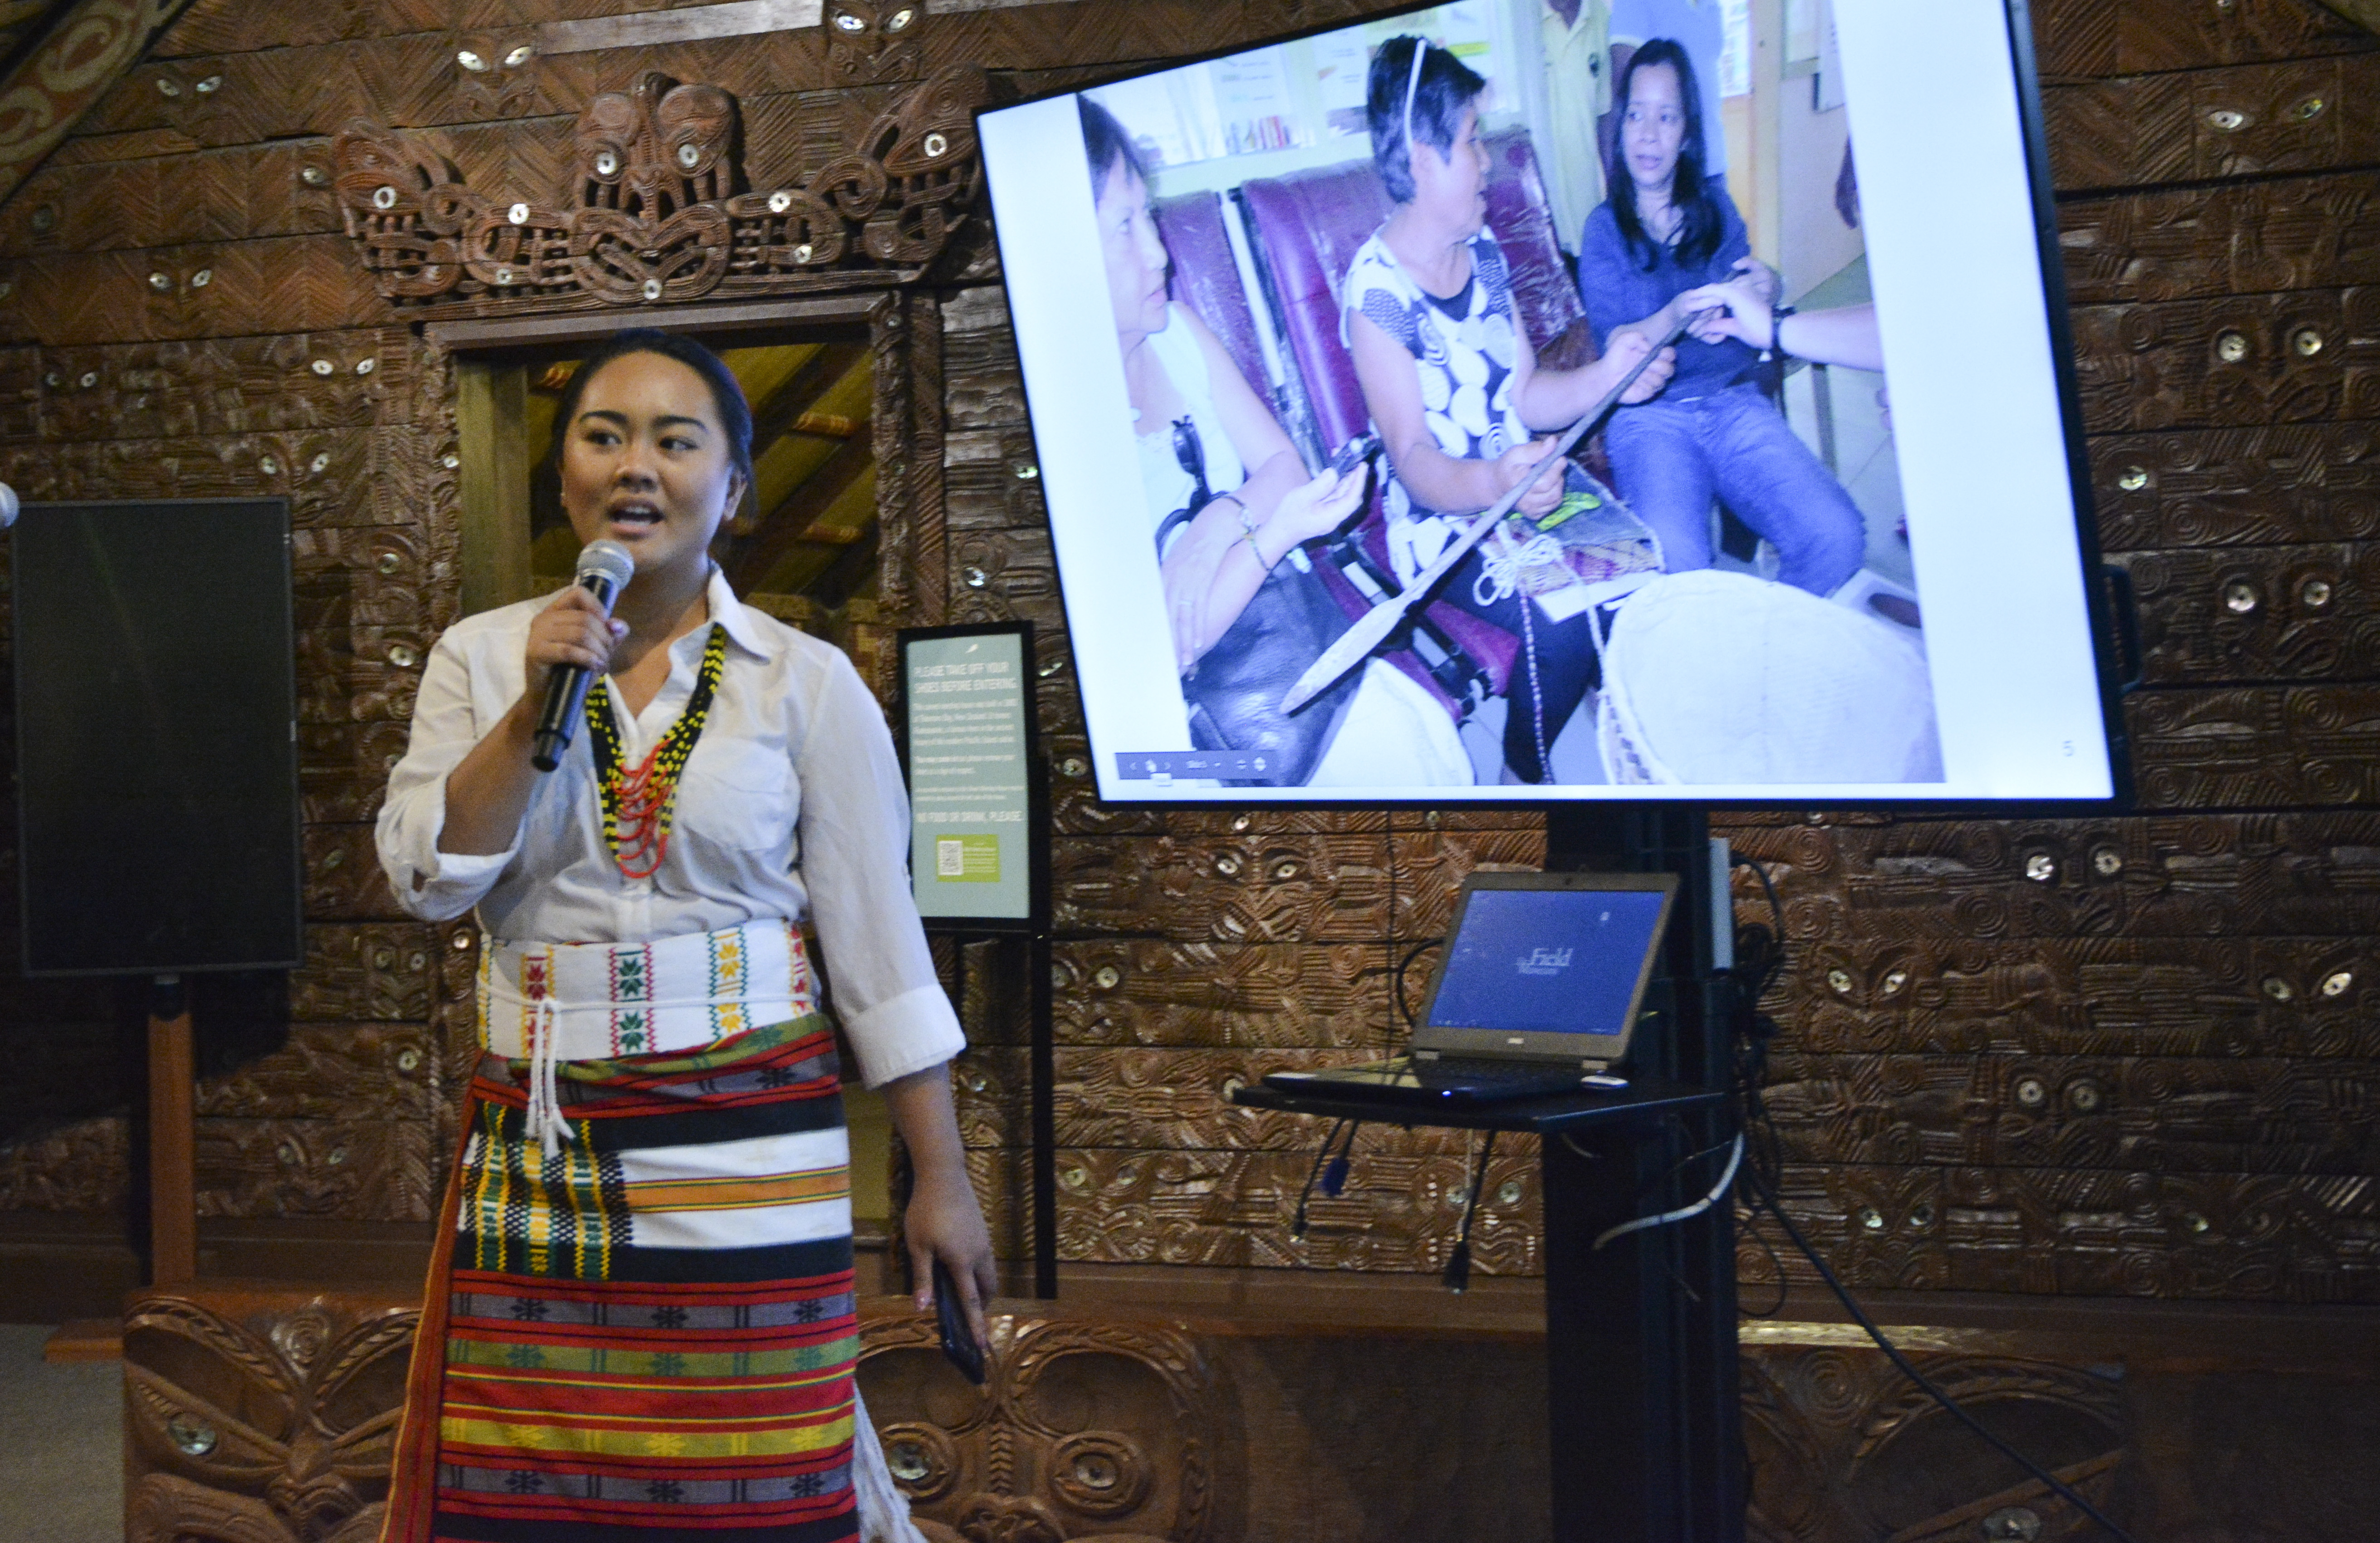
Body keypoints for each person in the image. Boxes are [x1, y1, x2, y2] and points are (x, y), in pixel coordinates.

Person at [373, 329, 990, 1543]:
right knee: (533, 1492)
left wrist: (945, 1180)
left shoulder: (804, 682)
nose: (635, 465)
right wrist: (529, 706)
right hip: (546, 1138)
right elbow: (431, 878)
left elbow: (879, 947)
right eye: (603, 437)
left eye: (675, 438)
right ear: (566, 484)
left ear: (735, 487)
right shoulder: (482, 657)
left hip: (753, 1137)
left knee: (756, 1482)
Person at [1085, 97, 1470, 787]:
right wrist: (1271, 535)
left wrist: (1217, 524)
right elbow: (1166, 649)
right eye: (1123, 225)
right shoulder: (1063, 434)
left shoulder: (1175, 332)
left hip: (1274, 634)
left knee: (1427, 739)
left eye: (1148, 215)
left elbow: (1284, 467)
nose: (1157, 252)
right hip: (1173, 744)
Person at [1344, 37, 1674, 784]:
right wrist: (1500, 481)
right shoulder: (1376, 297)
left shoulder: (1484, 249)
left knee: (1637, 580)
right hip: (1444, 521)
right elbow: (1415, 463)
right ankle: (1524, 768)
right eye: (1471, 141)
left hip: (1525, 482)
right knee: (1561, 635)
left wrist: (1608, 375)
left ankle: (1611, 721)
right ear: (1421, 159)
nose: (1488, 159)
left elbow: (1525, 393)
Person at [1577, 38, 1866, 596]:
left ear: (1687, 133)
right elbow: (1615, 344)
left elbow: (1750, 303)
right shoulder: (1602, 228)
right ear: (1620, 126)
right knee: (1680, 568)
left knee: (1837, 536)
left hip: (1731, 401)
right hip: (1648, 419)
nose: (1648, 133)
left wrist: (1766, 286)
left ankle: (1765, 645)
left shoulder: (1715, 205)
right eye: (1635, 114)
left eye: (1666, 117)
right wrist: (1678, 313)